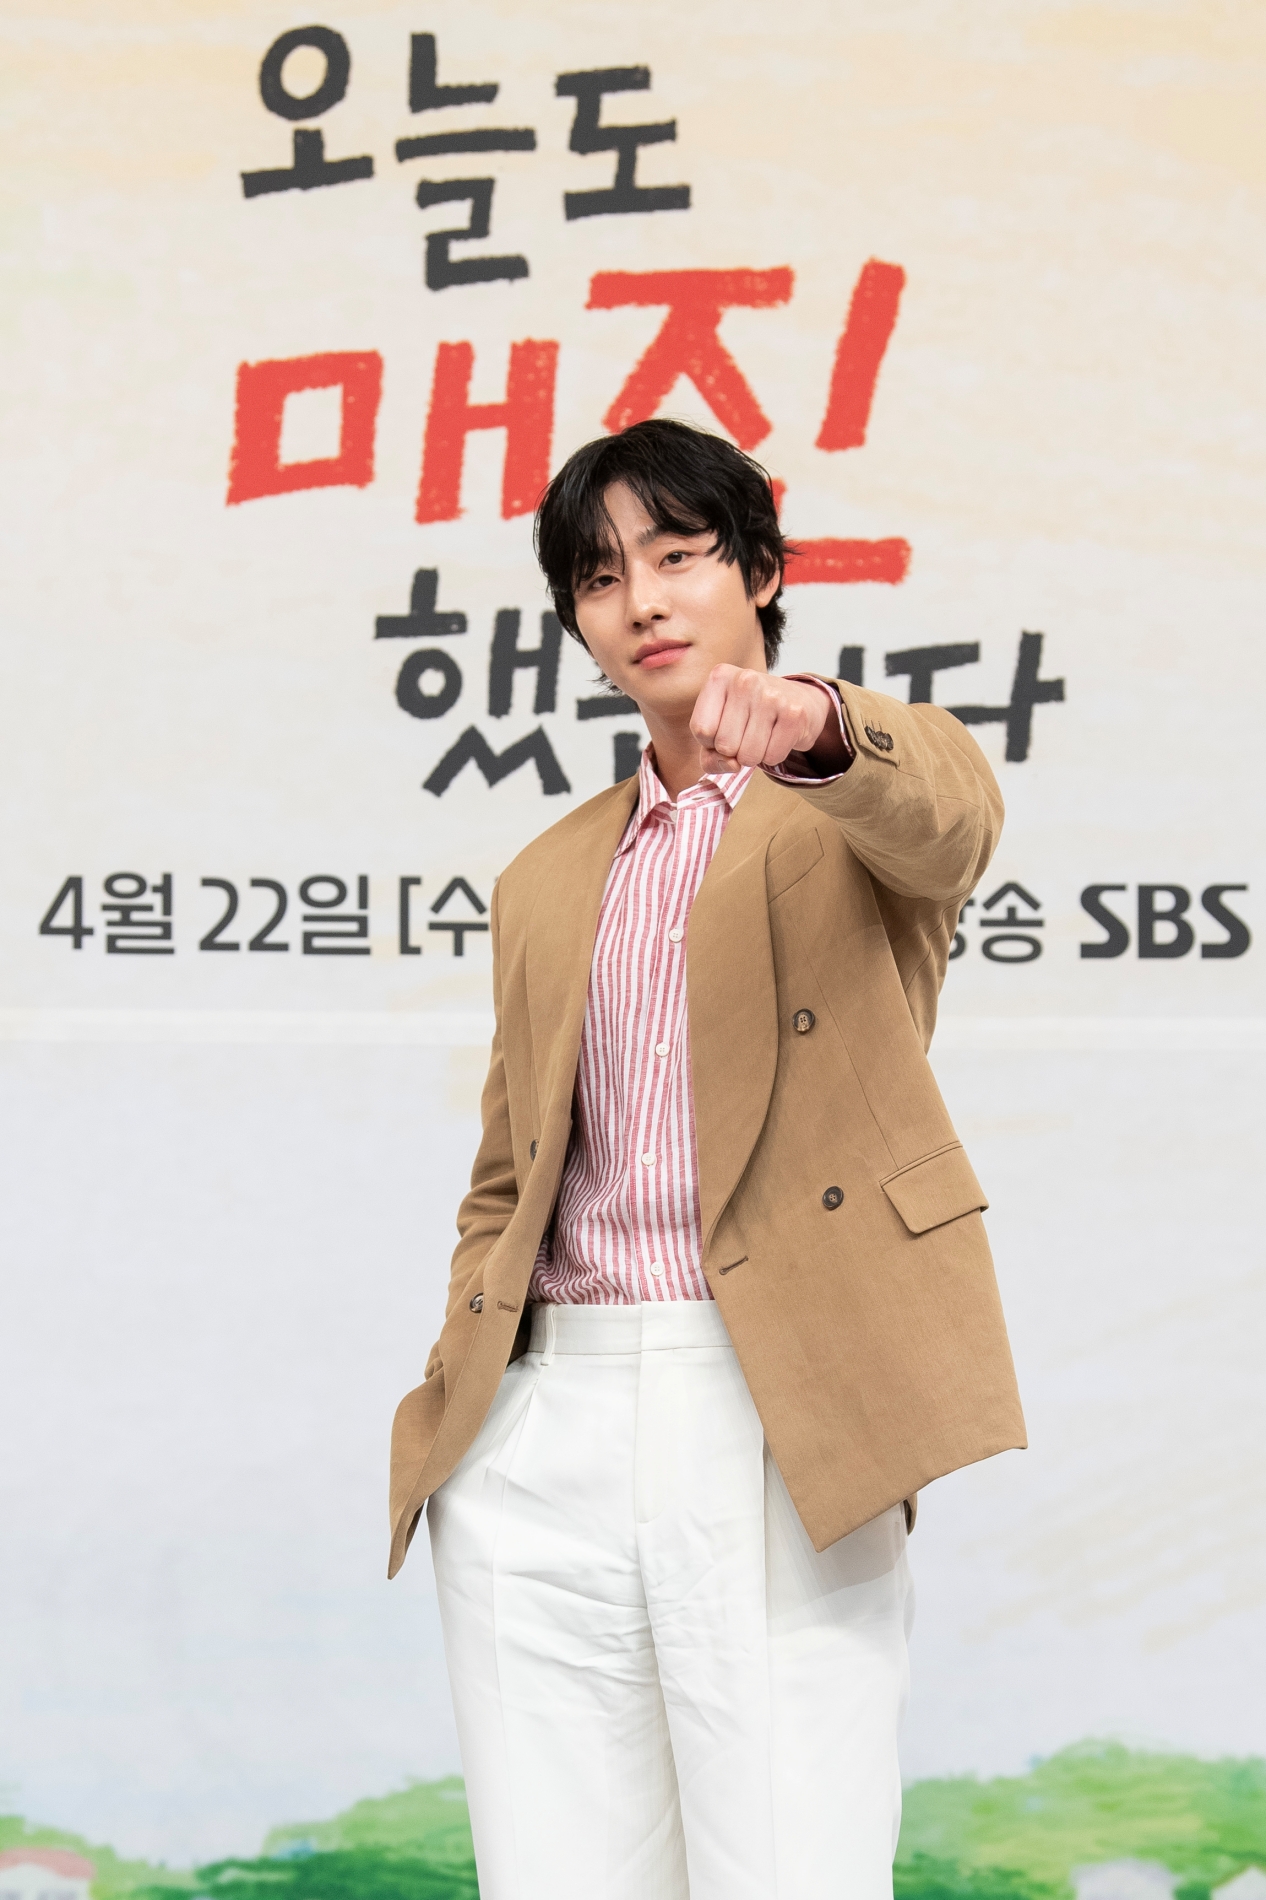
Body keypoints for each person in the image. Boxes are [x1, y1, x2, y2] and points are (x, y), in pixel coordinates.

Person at [389, 418, 1025, 1900]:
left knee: (793, 1868)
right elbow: (510, 1169)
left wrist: (817, 728)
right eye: (603, 577)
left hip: (772, 1398)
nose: (646, 601)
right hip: (541, 1421)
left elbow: (948, 817)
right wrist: (468, 1407)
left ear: (760, 573)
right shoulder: (546, 873)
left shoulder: (849, 805)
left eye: (680, 556)